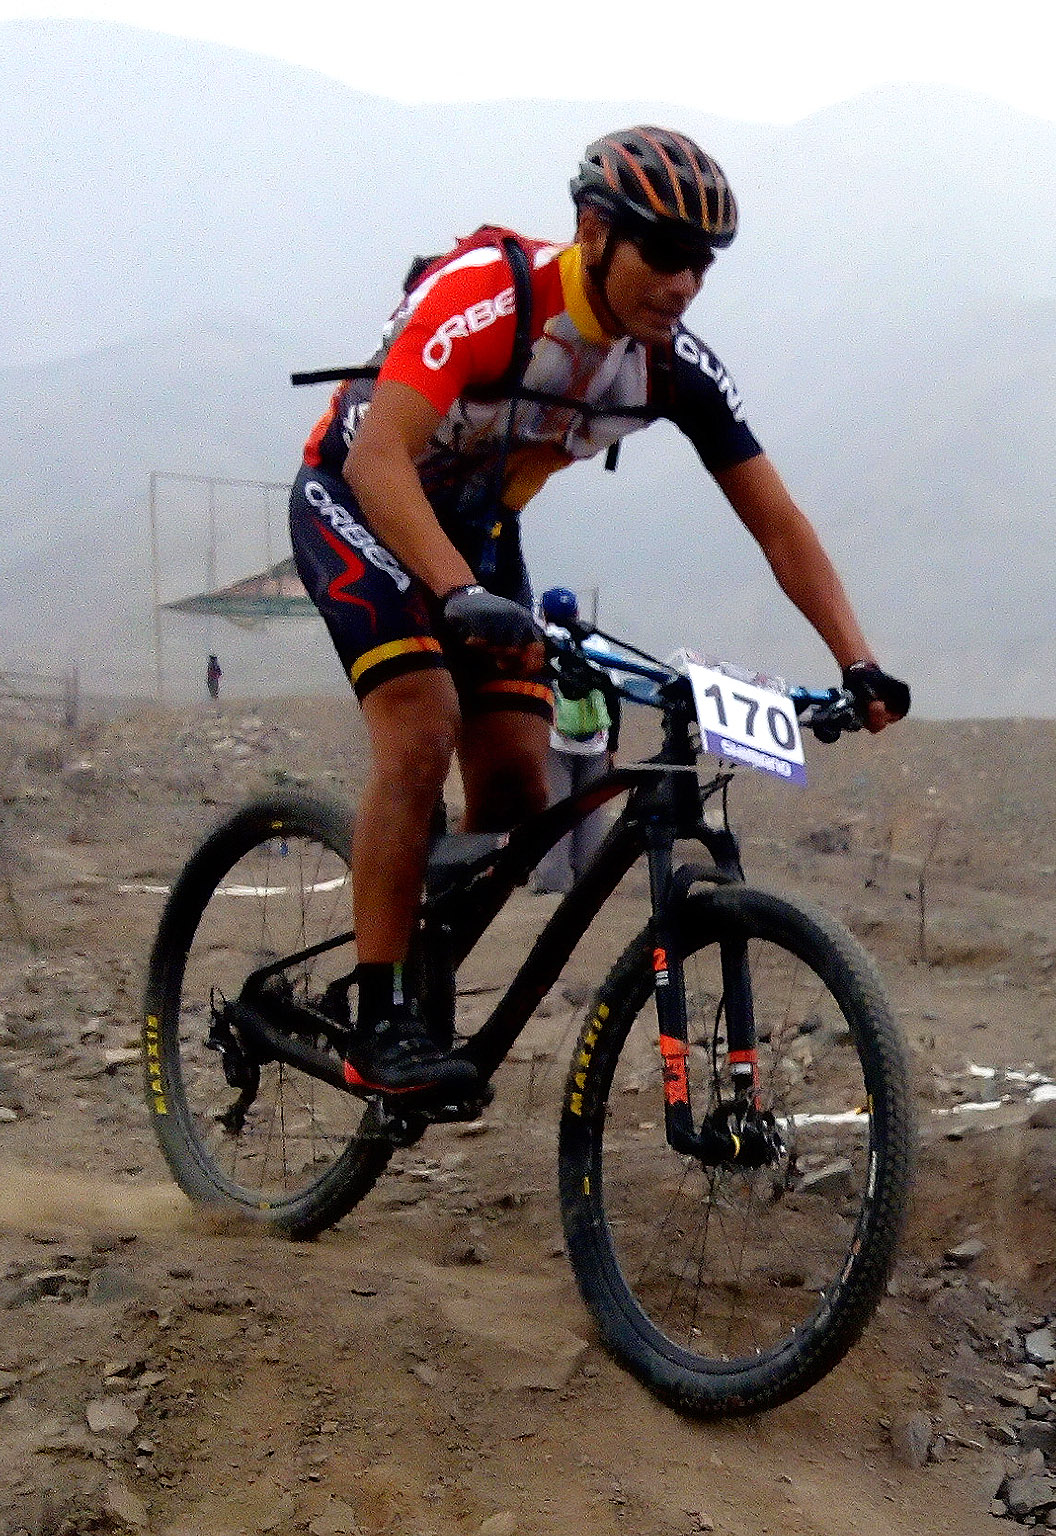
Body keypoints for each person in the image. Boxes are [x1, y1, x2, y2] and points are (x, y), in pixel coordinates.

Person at [290, 125, 909, 1099]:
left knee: (515, 791)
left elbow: (778, 524)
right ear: (591, 230)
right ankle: (379, 1019)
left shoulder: (669, 366)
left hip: (477, 535)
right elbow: (377, 460)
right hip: (361, 501)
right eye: (663, 254)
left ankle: (414, 925)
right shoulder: (490, 299)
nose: (683, 284)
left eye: (702, 265)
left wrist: (855, 660)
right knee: (421, 729)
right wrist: (453, 592)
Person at [529, 587, 616, 895]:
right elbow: (612, 696)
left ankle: (552, 881)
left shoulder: (542, 642)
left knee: (556, 811)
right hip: (596, 743)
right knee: (591, 812)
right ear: (577, 614)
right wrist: (613, 745)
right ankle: (587, 878)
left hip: (556, 741)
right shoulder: (597, 644)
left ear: (544, 614)